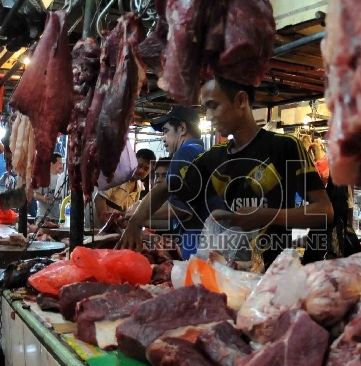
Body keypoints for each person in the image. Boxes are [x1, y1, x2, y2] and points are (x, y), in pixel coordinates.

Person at [120, 78, 334, 267]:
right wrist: (135, 222)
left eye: (214, 106)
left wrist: (268, 216)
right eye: (206, 108)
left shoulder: (284, 147)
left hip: (273, 272)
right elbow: (165, 189)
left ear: (241, 101)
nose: (209, 116)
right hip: (228, 270)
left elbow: (324, 211)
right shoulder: (214, 157)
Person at [121, 107, 206, 257]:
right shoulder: (199, 152)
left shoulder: (186, 152)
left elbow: (178, 208)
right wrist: (141, 219)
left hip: (195, 249)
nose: (163, 137)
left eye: (166, 131)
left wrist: (137, 215)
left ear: (182, 128)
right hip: (199, 243)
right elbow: (181, 214)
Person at [95, 148, 155, 214]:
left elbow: (130, 211)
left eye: (146, 169)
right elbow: (99, 199)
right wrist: (105, 222)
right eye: (139, 166)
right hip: (100, 223)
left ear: (150, 170)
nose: (141, 171)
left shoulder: (139, 188)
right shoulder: (117, 176)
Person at [33, 153, 64, 222]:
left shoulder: (61, 179)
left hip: (56, 218)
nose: (61, 166)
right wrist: (43, 198)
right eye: (59, 163)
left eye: (62, 163)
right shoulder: (42, 178)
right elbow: (35, 194)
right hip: (42, 217)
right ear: (51, 164)